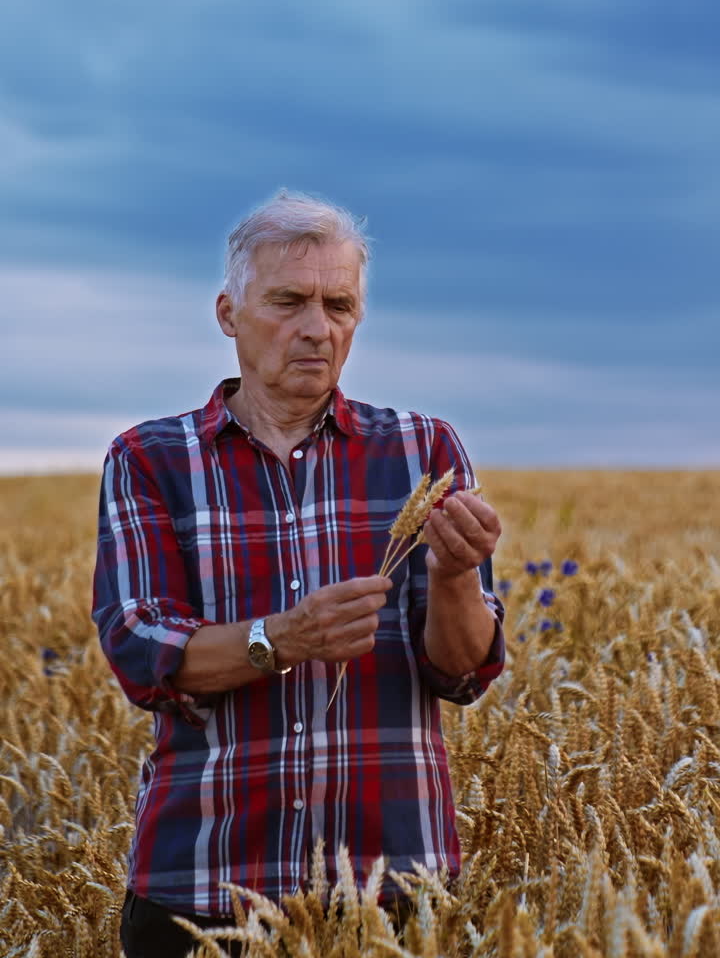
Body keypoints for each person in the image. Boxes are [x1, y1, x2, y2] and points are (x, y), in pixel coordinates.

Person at [92, 190, 505, 958]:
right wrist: (280, 638)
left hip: (391, 886)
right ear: (228, 313)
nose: (318, 328)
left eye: (339, 304)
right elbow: (140, 651)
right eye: (288, 301)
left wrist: (454, 575)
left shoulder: (421, 451)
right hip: (205, 884)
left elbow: (462, 674)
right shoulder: (150, 460)